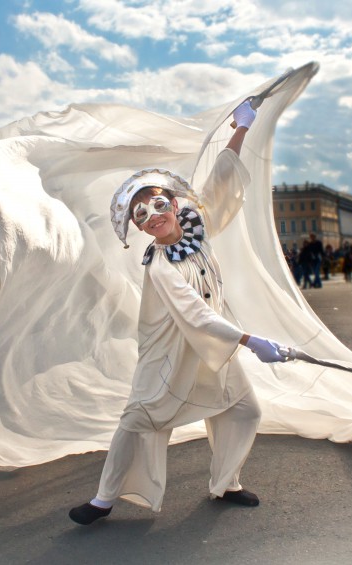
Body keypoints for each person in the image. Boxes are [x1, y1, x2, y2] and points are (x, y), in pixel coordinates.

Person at [68, 100, 292, 526]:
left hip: (211, 347)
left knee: (243, 410)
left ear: (173, 204)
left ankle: (226, 483)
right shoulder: (160, 266)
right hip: (171, 351)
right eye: (141, 215)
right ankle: (102, 499)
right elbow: (195, 315)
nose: (153, 217)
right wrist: (252, 341)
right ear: (136, 227)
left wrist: (240, 129)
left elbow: (221, 184)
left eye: (157, 205)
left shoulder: (196, 226)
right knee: (139, 420)